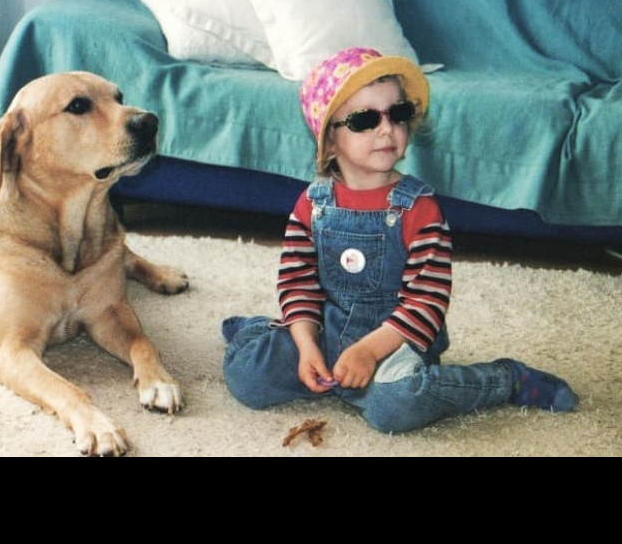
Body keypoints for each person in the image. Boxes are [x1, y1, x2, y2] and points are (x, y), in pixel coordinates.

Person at [222, 47, 579, 435]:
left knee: (396, 406)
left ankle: (505, 380)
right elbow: (298, 283)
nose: (386, 128)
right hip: (325, 332)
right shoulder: (311, 204)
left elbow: (427, 301)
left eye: (398, 113)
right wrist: (306, 345)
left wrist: (367, 351)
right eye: (365, 119)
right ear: (329, 141)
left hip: (396, 342)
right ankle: (264, 331)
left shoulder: (420, 210)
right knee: (247, 377)